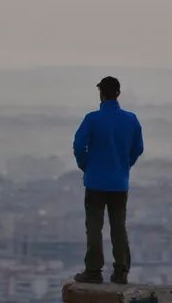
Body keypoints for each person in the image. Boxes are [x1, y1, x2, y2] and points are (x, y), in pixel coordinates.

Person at [72, 76, 144, 285]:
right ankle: (121, 271)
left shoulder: (92, 119)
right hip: (119, 182)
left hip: (95, 181)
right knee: (118, 226)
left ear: (101, 93)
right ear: (118, 94)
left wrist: (86, 165)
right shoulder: (131, 119)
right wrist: (125, 165)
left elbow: (78, 146)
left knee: (94, 226)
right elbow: (137, 148)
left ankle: (93, 271)